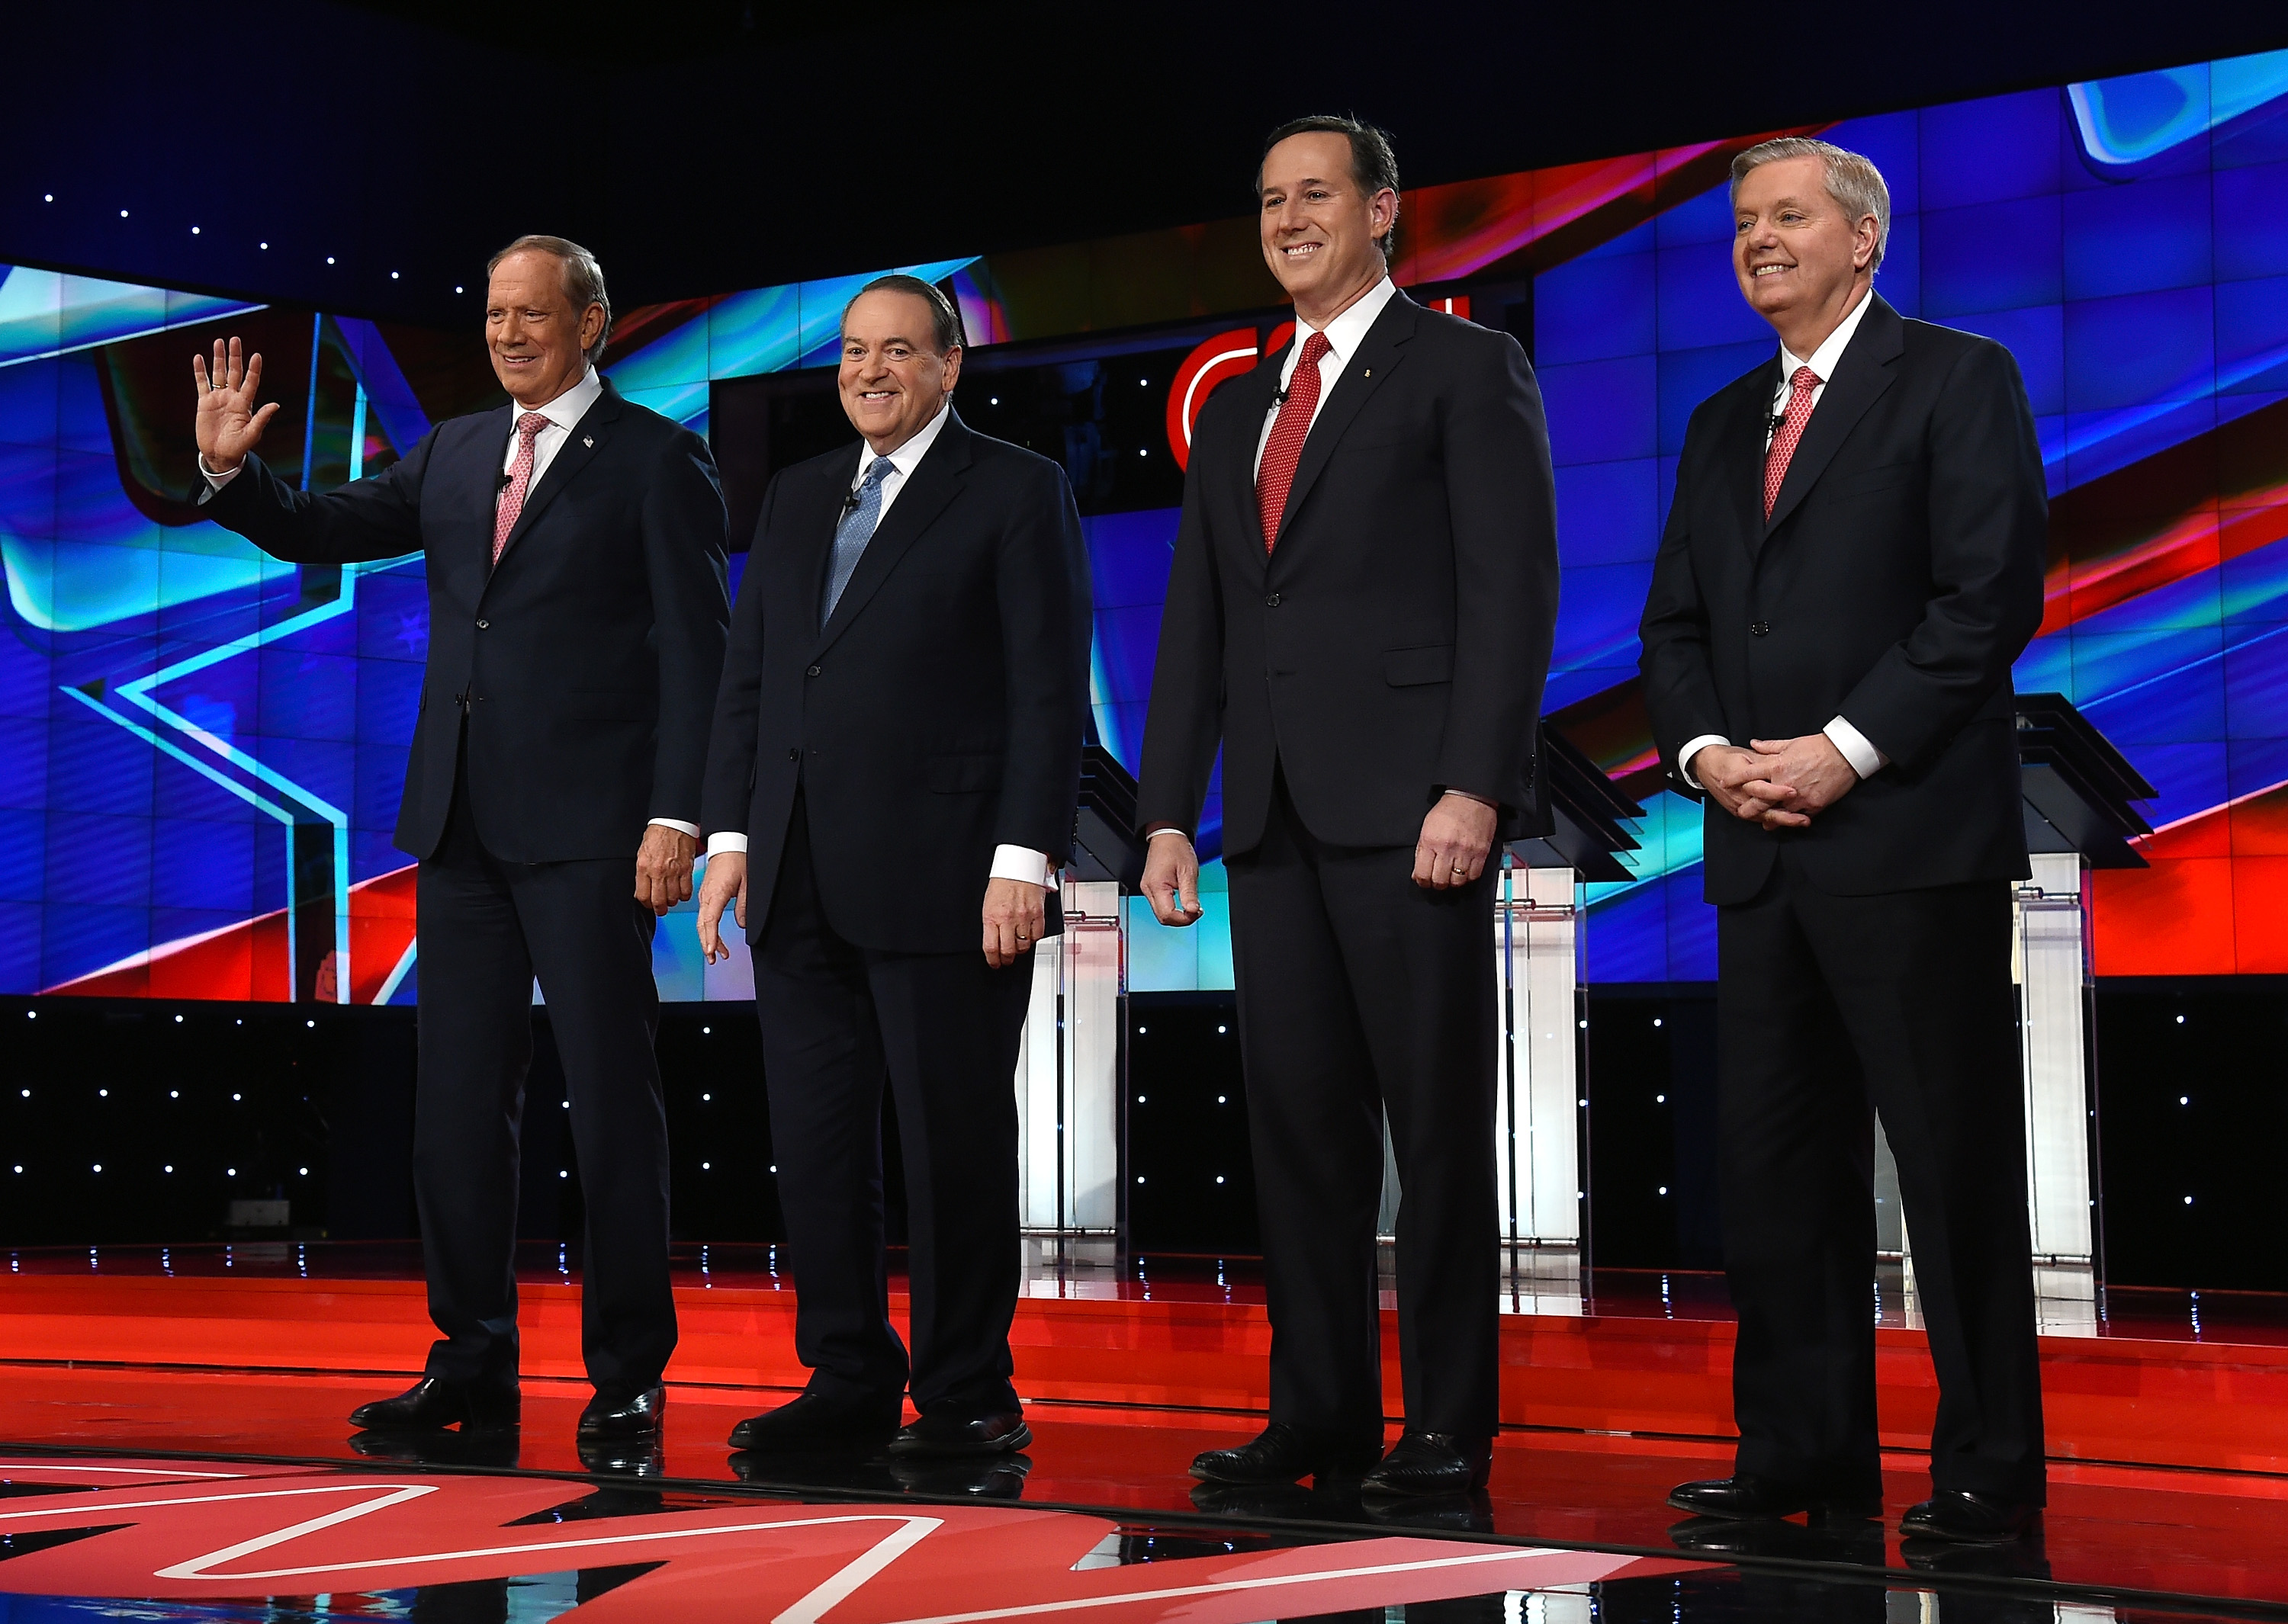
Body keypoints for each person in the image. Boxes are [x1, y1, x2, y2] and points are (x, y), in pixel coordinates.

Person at [191, 235, 729, 1445]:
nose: (508, 334)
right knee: (457, 1114)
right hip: (460, 827)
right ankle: (472, 1362)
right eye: (494, 314)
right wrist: (232, 474)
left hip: (595, 833)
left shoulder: (658, 458)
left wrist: (677, 814)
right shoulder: (455, 450)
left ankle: (629, 1373)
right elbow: (321, 523)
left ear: (590, 322)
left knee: (612, 1104)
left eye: (532, 313)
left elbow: (701, 650)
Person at [1136, 117, 1560, 1498]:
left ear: (1383, 209)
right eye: (1270, 199)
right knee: (1300, 1134)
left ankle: (1445, 1427)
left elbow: (1512, 589)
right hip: (1270, 822)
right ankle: (1315, 1414)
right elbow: (1198, 624)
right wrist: (1165, 810)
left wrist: (1474, 782)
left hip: (1413, 813)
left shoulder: (1465, 366)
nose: (1288, 218)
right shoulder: (1239, 406)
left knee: (1433, 1131)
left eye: (1315, 193)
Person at [1639, 137, 2049, 1544]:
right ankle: (1800, 1457)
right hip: (1757, 850)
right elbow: (1675, 629)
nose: (1759, 239)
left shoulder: (1957, 377)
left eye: (1788, 216)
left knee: (1952, 1170)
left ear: (1862, 237)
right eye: (1744, 221)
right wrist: (1708, 757)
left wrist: (1844, 747)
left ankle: (1991, 1472)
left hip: (1908, 839)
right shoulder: (1716, 422)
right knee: (1776, 1177)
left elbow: (1987, 598)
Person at [696, 274, 1091, 1460]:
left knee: (950, 1143)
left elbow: (1047, 687)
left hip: (951, 873)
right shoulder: (799, 492)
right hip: (797, 870)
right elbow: (752, 679)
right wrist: (730, 837)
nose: (871, 371)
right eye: (855, 352)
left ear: (950, 364)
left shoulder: (1017, 487)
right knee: (820, 1145)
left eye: (899, 351)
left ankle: (968, 1391)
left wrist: (1024, 855)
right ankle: (846, 1377)